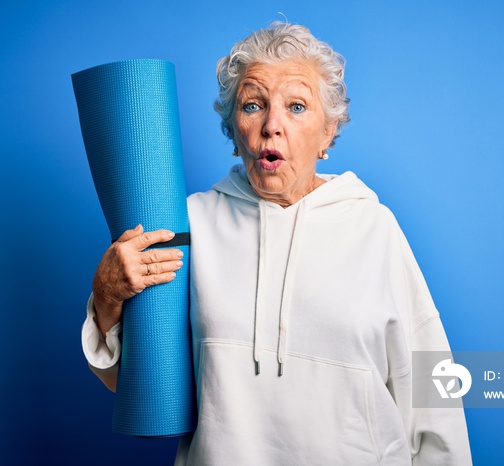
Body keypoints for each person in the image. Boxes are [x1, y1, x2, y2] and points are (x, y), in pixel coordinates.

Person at [82, 22, 472, 465]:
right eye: (253, 105)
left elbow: (431, 389)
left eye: (297, 106)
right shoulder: (189, 224)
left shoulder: (374, 227)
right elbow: (137, 381)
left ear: (328, 132)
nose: (272, 126)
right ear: (234, 131)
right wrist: (107, 296)